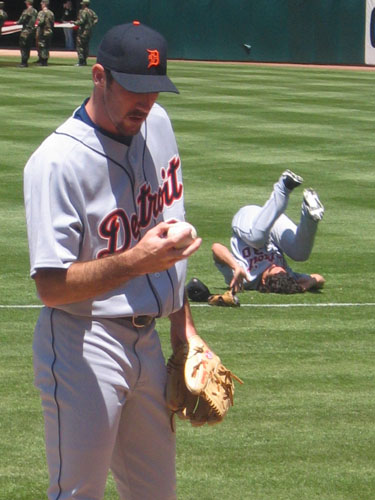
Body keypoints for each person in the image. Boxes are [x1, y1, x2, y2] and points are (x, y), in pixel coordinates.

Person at [24, 21, 202, 499]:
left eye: (155, 91)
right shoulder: (55, 163)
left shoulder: (157, 125)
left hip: (148, 344)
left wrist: (182, 330)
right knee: (78, 493)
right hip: (85, 345)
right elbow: (51, 287)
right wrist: (133, 261)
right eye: (134, 89)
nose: (145, 104)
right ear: (99, 77)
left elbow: (170, 241)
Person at [212, 170, 325, 294]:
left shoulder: (247, 278)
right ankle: (310, 215)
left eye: (271, 268)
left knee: (257, 239)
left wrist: (235, 266)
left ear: (264, 281)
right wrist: (305, 285)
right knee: (301, 255)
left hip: (248, 222)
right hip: (270, 221)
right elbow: (319, 279)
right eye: (280, 268)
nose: (273, 264)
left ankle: (284, 186)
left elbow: (216, 248)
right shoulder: (287, 277)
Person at [73, 0, 98, 66]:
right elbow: (96, 18)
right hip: (88, 31)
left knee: (80, 46)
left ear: (84, 4)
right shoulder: (91, 11)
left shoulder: (83, 11)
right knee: (86, 46)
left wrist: (74, 23)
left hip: (83, 31)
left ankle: (81, 61)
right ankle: (84, 60)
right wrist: (91, 24)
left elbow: (82, 21)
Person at [17, 0, 37, 68]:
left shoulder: (27, 11)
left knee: (23, 47)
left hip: (26, 30)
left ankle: (24, 62)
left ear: (27, 3)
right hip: (32, 30)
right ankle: (25, 61)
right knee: (28, 47)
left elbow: (22, 20)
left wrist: (17, 22)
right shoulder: (35, 11)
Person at [35, 0, 54, 66]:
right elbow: (52, 23)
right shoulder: (51, 13)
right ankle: (45, 60)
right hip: (49, 31)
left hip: (43, 31)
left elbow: (41, 22)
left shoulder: (41, 12)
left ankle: (43, 61)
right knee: (47, 47)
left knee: (42, 46)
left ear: (44, 4)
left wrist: (37, 24)